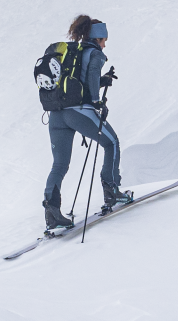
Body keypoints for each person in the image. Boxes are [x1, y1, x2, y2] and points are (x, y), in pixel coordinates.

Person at [42, 15, 132, 231]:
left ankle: (52, 212)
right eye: (104, 39)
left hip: (56, 115)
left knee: (60, 164)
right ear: (97, 38)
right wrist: (96, 101)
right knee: (111, 143)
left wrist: (101, 82)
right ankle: (112, 190)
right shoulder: (94, 53)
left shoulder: (73, 53)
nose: (105, 43)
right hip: (78, 113)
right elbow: (90, 76)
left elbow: (79, 81)